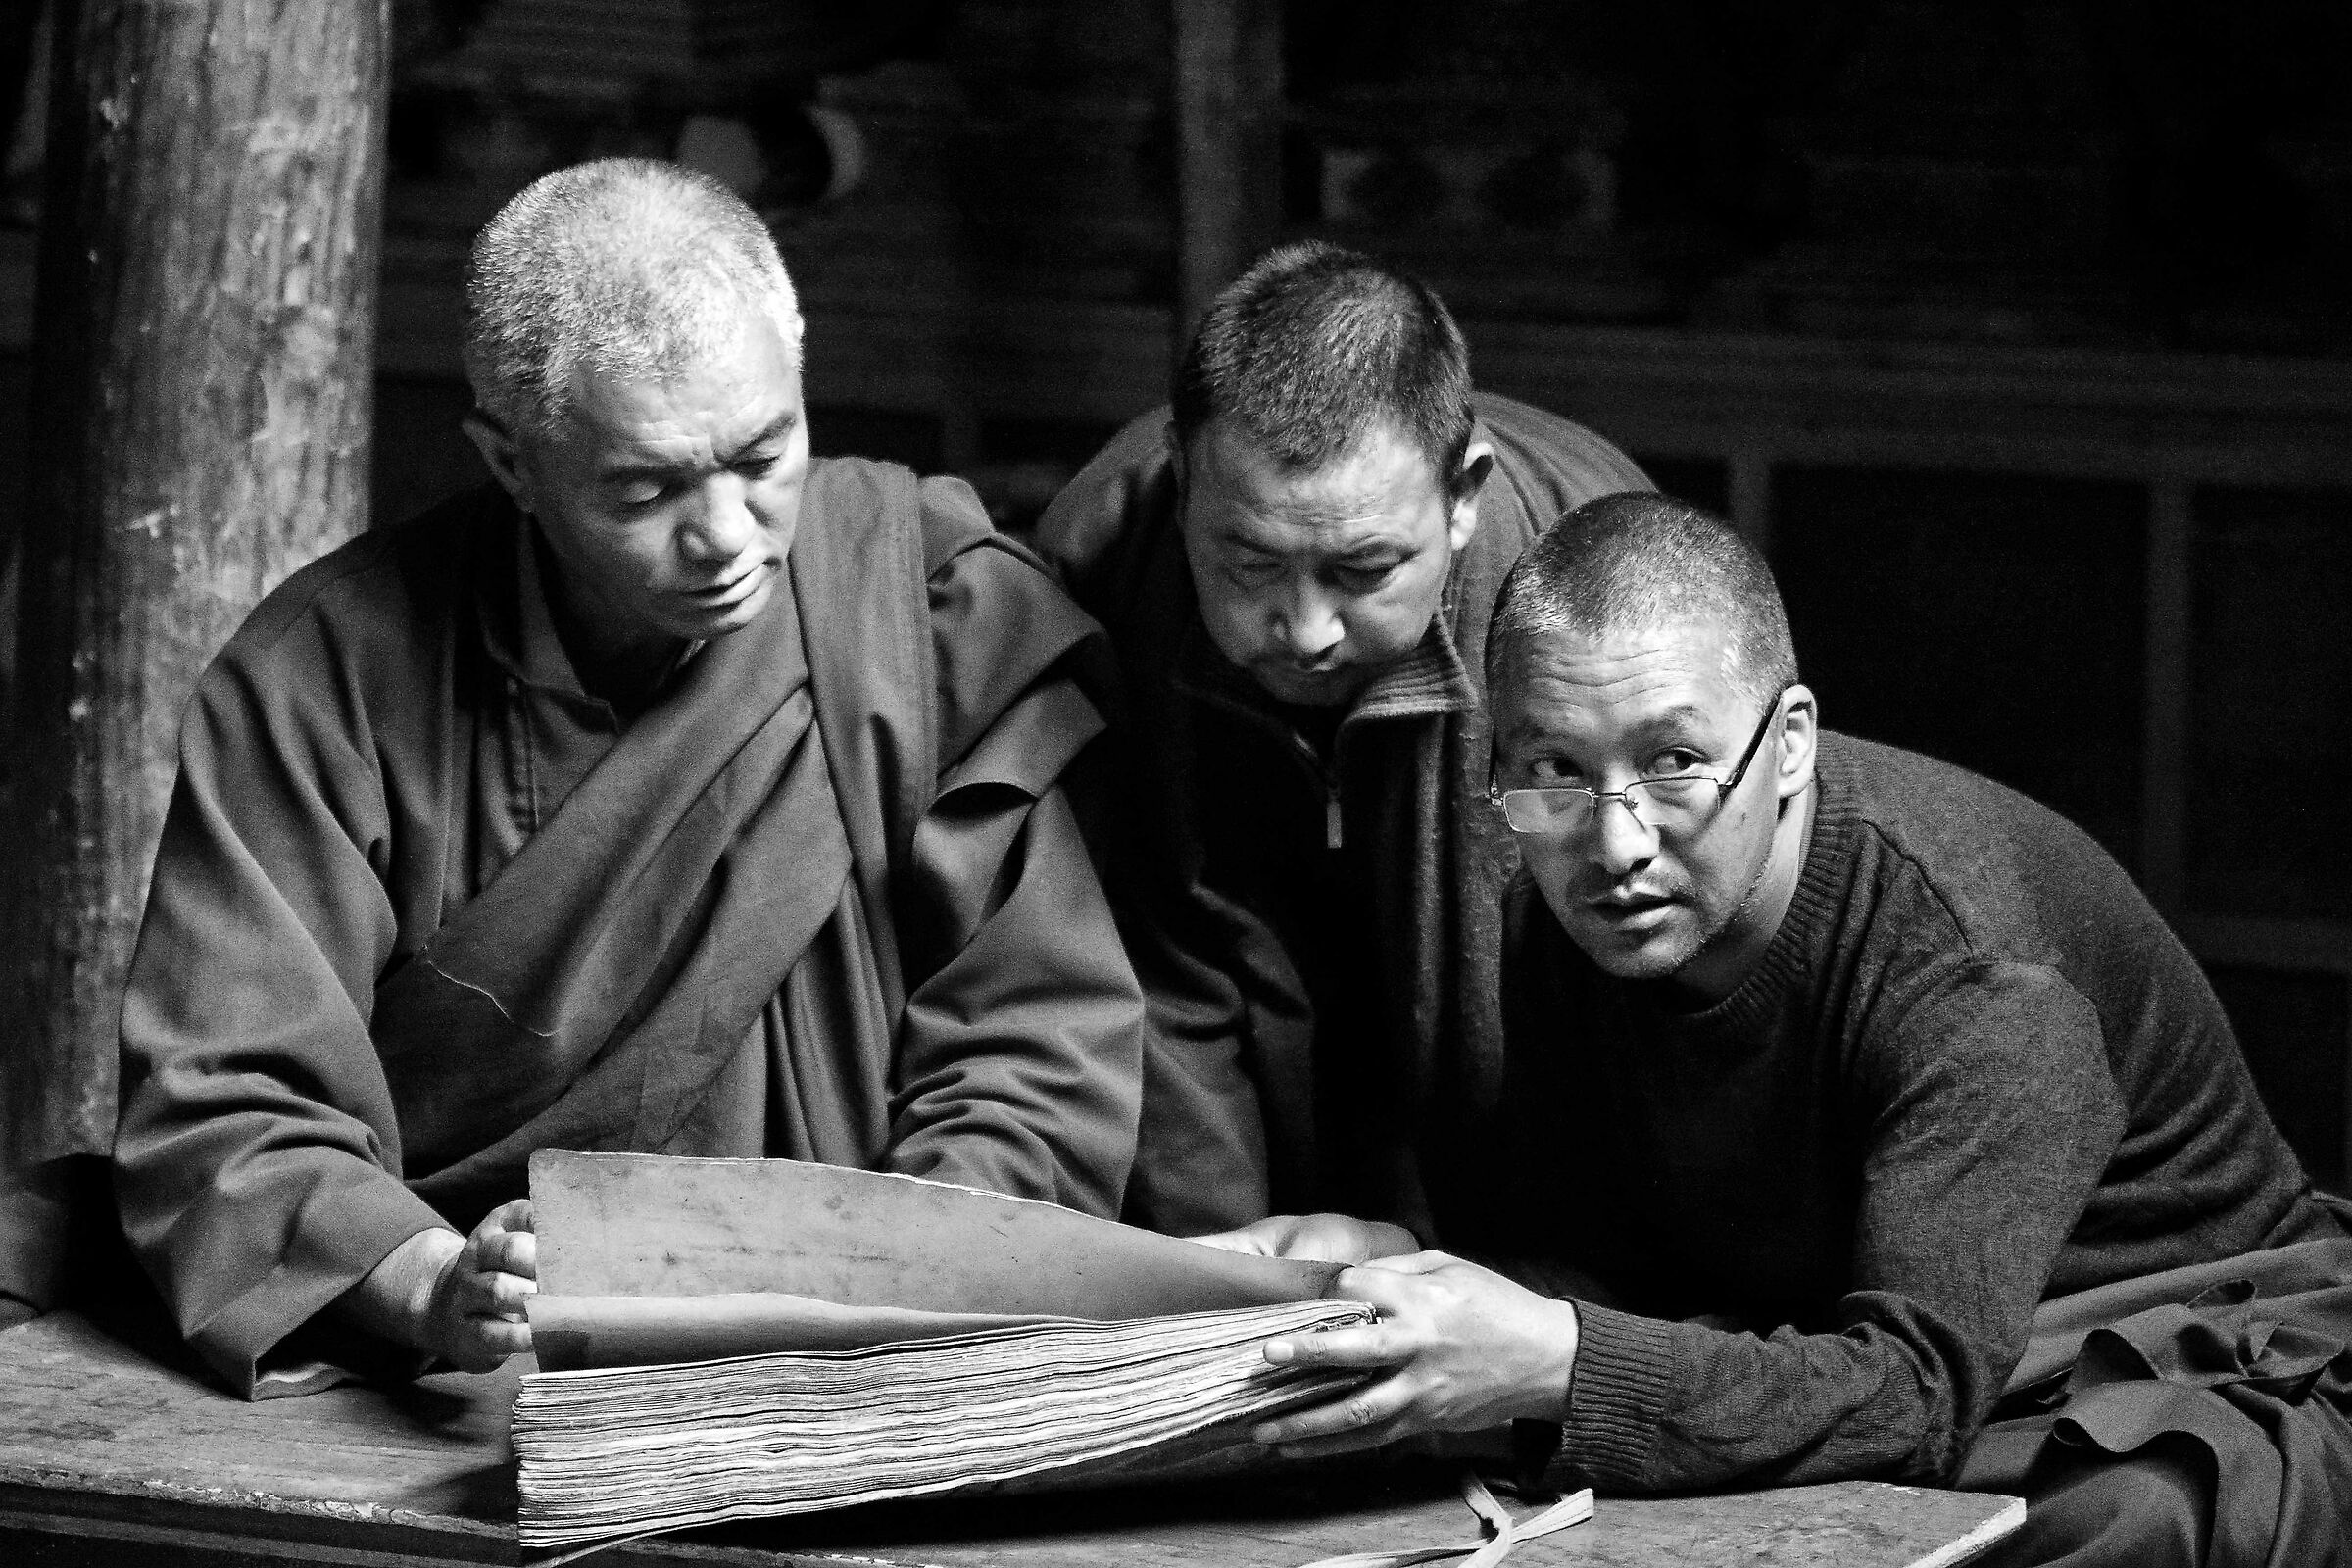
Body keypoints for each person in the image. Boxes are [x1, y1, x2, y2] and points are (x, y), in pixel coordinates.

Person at [111, 159, 1145, 1398]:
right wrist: (433, 1283)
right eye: (645, 489)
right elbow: (225, 1100)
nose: (726, 537)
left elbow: (1040, 1042)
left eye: (765, 454)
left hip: (881, 1345)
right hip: (478, 1365)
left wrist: (885, 1304)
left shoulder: (922, 609)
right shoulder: (319, 682)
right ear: (511, 462)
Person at [1216, 493, 2352, 1566]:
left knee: (2113, 1522)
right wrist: (1397, 1273)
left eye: (1674, 764)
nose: (1614, 848)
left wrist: (1552, 1356)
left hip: (2172, 1368)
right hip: (1837, 1343)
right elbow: (1609, 1266)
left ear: (1793, 737)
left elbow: (1912, 1389)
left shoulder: (1972, 965)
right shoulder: (1572, 907)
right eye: (1555, 770)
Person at [1034, 241, 1650, 1239]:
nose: (1306, 629)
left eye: (1364, 570)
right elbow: (1136, 956)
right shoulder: (1096, 564)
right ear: (1185, 480)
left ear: (1463, 495)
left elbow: (1623, 982)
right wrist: (1221, 1284)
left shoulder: (1605, 591)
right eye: (1250, 563)